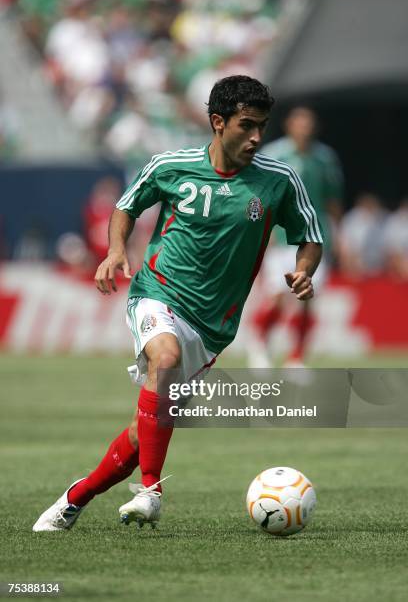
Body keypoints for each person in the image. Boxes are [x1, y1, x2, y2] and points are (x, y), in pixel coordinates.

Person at [33, 75, 323, 532]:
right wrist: (114, 251)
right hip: (157, 292)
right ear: (217, 122)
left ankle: (75, 497)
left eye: (262, 127)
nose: (256, 137)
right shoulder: (170, 165)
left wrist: (305, 270)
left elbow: (310, 236)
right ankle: (151, 490)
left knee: (140, 433)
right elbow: (127, 206)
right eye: (246, 125)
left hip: (212, 328)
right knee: (163, 357)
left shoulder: (278, 180)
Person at [247, 107, 343, 368]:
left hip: (314, 238)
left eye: (308, 123)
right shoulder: (275, 155)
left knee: (305, 299)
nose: (304, 128)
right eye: (299, 123)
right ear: (290, 125)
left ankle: (297, 357)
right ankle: (261, 341)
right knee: (277, 295)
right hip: (282, 234)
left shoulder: (324, 158)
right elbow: (259, 197)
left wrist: (338, 235)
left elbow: (333, 200)